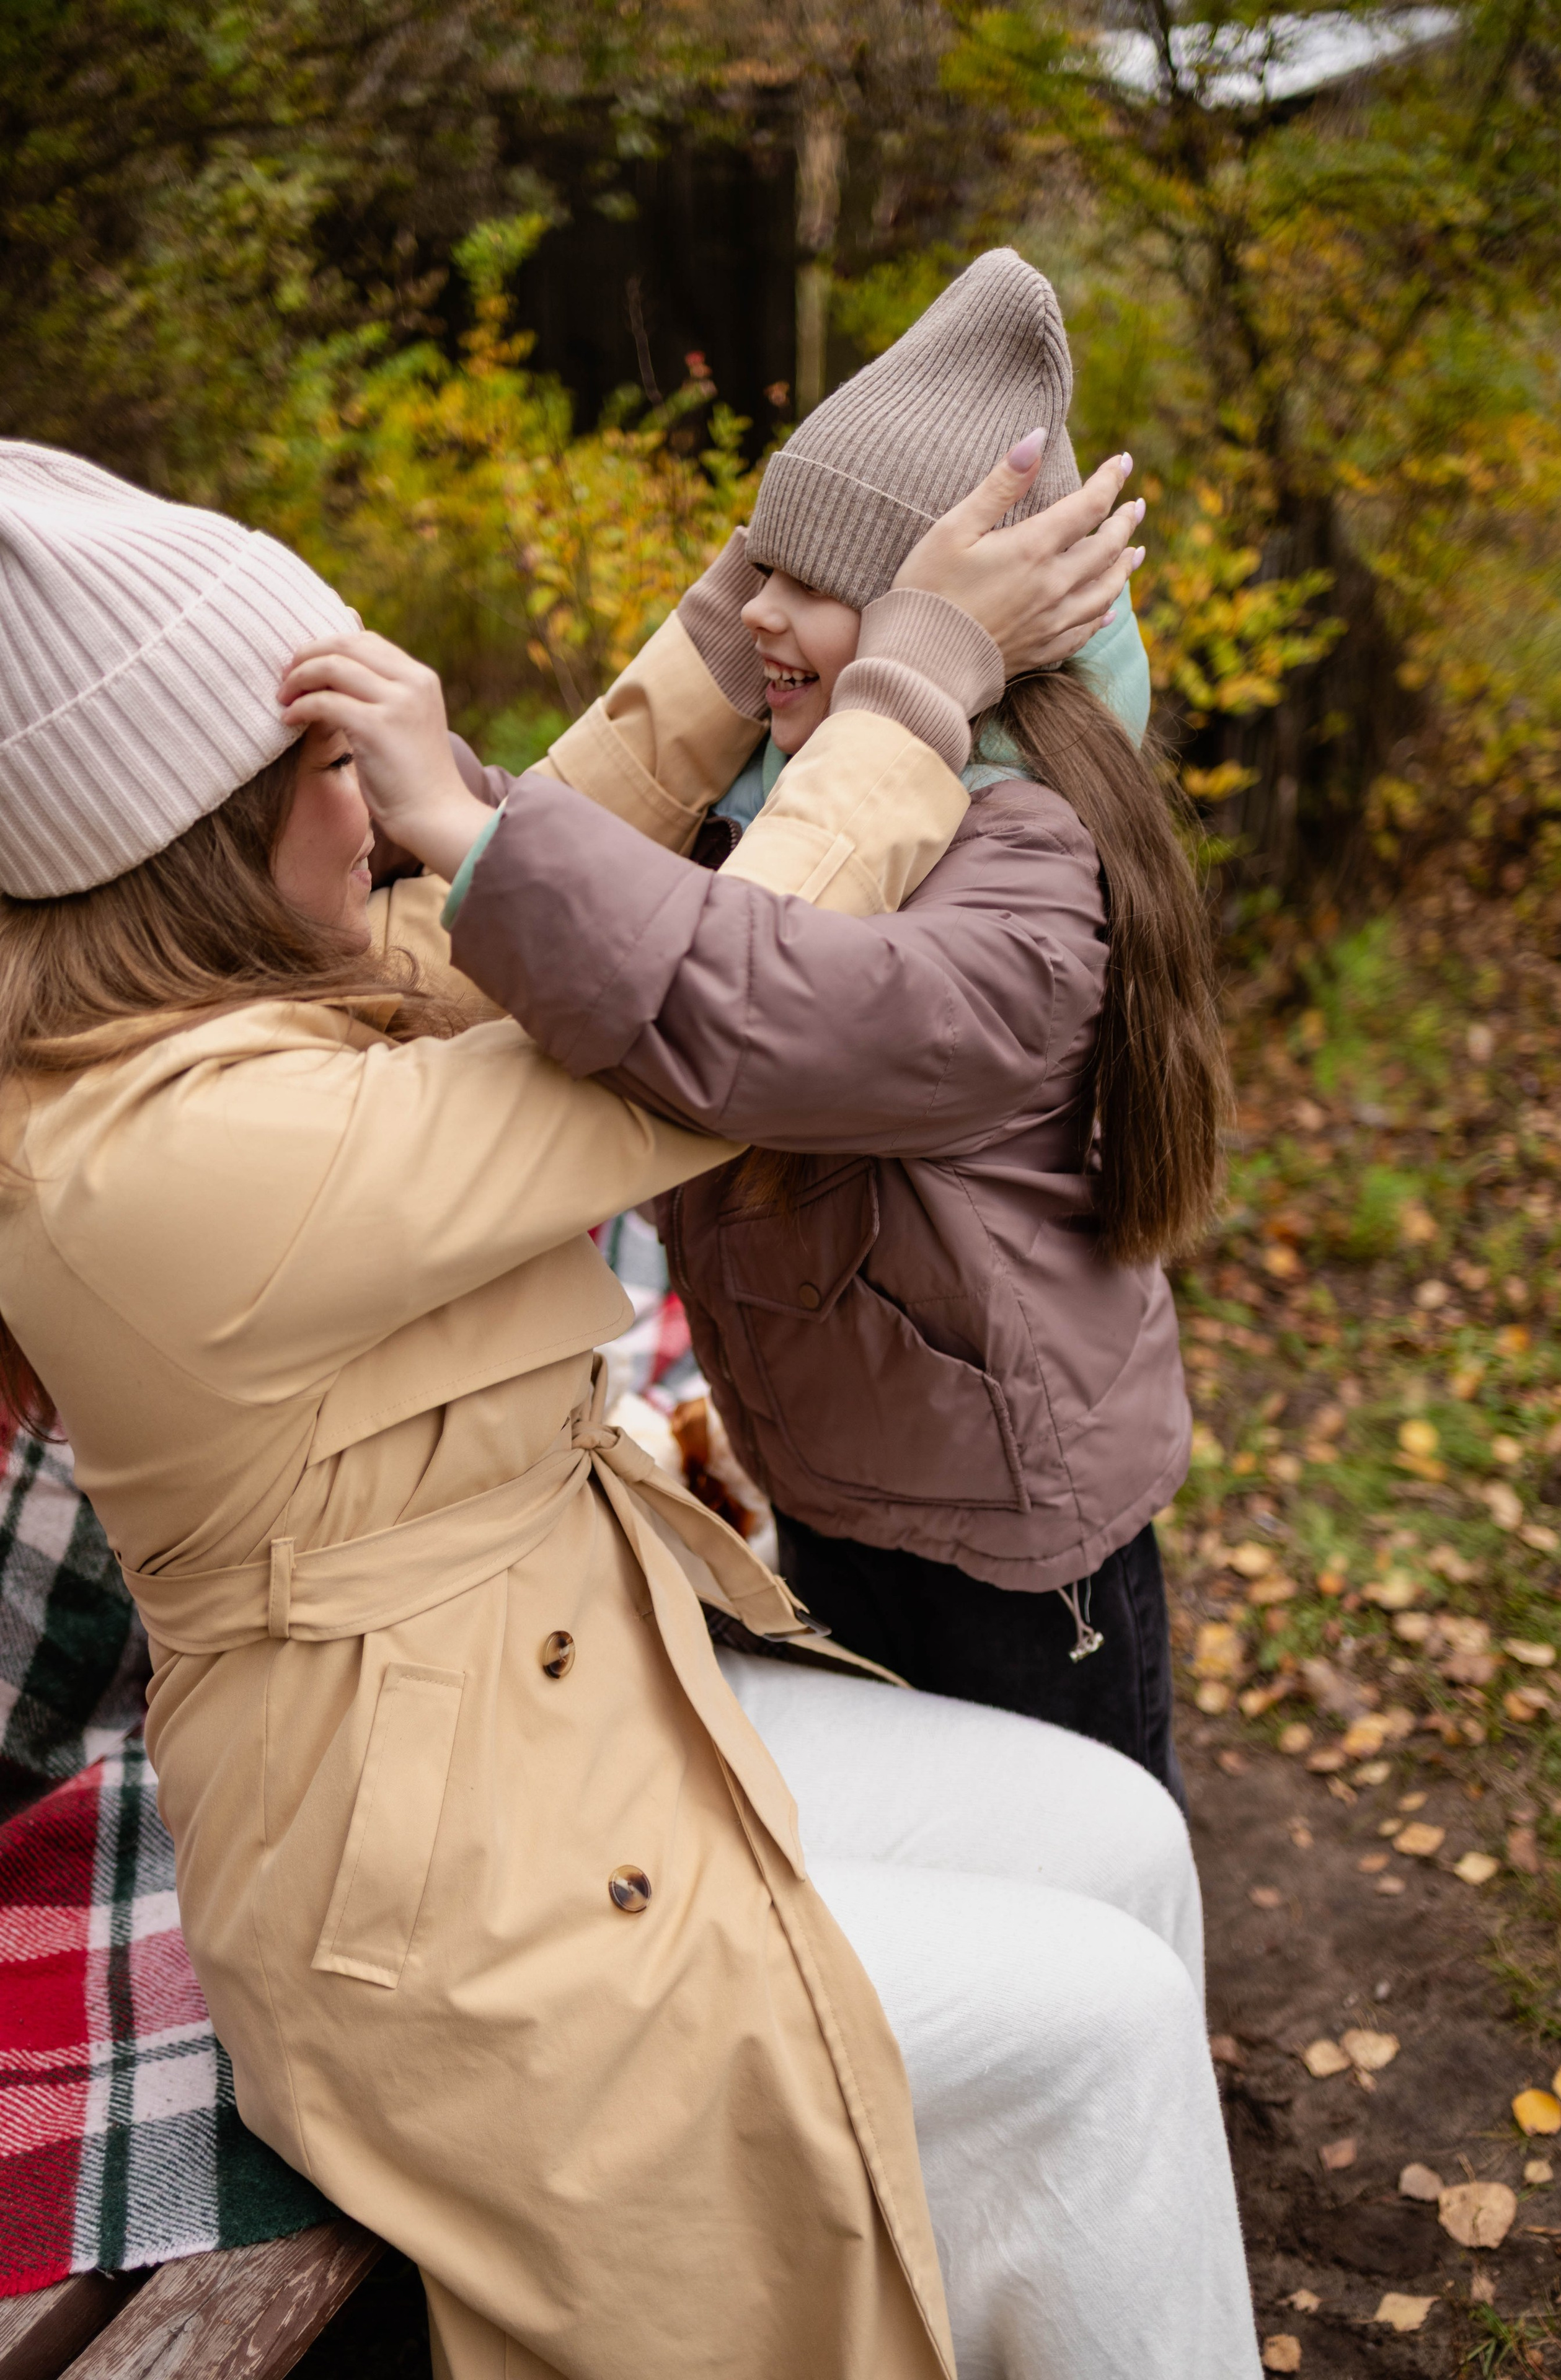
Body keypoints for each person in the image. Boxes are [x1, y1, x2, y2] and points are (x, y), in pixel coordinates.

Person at [0, 434, 1258, 2380]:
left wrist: (729, 609)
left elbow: (507, 915)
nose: (388, 811)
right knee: (1090, 2030)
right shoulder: (156, 1153)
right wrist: (909, 682)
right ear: (185, 846)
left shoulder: (236, 1006)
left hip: (584, 1697)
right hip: (429, 1896)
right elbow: (685, 1053)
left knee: (1119, 1835)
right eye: (335, 769)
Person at [371, 251, 1229, 1806]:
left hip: (1010, 1547)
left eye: (811, 585)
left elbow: (762, 1009)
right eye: (753, 569)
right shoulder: (793, 795)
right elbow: (627, 885)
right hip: (842, 1470)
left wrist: (467, 833)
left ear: (953, 646)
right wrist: (458, 813)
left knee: (1082, 1869)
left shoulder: (1026, 865)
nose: (758, 610)